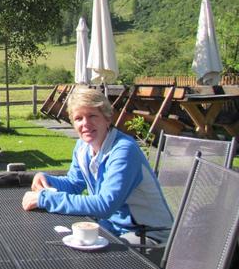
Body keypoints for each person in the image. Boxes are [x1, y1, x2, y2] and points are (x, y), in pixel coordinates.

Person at [22, 87, 173, 244]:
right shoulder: (82, 147)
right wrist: (47, 180)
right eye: (79, 118)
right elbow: (74, 183)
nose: (85, 124)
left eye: (92, 116)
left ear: (107, 118)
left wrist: (44, 198)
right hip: (112, 227)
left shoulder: (123, 150)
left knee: (92, 258)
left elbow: (104, 205)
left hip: (147, 234)